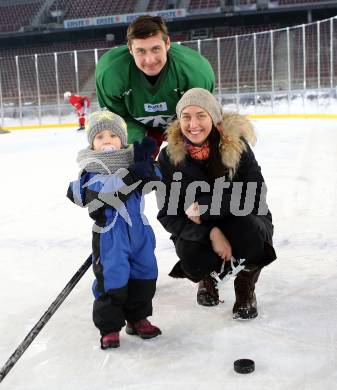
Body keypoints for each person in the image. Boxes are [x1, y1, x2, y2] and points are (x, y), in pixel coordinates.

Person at [157, 88, 277, 320]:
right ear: (178, 119)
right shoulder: (168, 158)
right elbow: (168, 214)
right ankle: (207, 276)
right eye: (186, 117)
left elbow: (254, 193)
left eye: (201, 115)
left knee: (249, 234)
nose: (193, 124)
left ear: (213, 117)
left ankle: (245, 288)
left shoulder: (236, 146)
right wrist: (210, 232)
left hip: (242, 219)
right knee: (192, 257)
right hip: (200, 229)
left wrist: (205, 206)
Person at [67, 109, 161, 349]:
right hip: (110, 236)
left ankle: (138, 318)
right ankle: (109, 328)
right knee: (112, 280)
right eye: (99, 137)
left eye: (112, 135)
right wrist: (132, 174)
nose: (107, 140)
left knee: (145, 275)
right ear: (92, 144)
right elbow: (104, 193)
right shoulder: (90, 171)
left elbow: (154, 183)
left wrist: (149, 165)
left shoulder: (134, 165)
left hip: (139, 233)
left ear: (122, 140)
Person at [96, 15, 215, 155]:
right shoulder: (111, 73)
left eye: (156, 49)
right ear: (130, 49)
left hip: (184, 126)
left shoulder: (195, 72)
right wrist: (137, 149)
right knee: (130, 166)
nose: (150, 60)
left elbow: (200, 120)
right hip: (138, 126)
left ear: (167, 43)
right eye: (141, 51)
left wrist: (184, 149)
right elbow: (117, 120)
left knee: (198, 162)